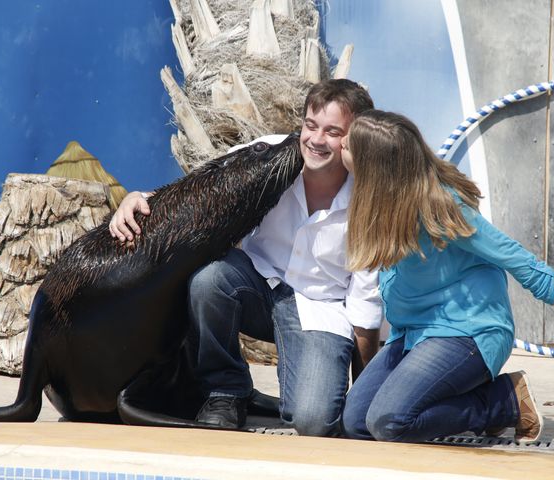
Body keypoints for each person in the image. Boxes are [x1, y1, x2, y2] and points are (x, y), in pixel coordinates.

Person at [109, 79, 383, 436]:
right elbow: (201, 194)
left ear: (354, 138)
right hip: (255, 284)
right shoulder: (269, 154)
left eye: (332, 132)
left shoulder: (371, 199)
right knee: (209, 279)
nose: (316, 140)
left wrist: (363, 402)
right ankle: (225, 391)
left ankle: (293, 396)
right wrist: (138, 198)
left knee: (314, 421)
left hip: (321, 309)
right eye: (310, 126)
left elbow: (365, 310)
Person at [339, 109, 554, 444]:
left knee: (390, 423)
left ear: (373, 166)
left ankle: (504, 402)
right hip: (414, 333)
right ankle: (464, 395)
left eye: (347, 146)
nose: (339, 146)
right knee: (356, 423)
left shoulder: (439, 205)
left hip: (467, 331)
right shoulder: (379, 199)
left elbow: (513, 256)